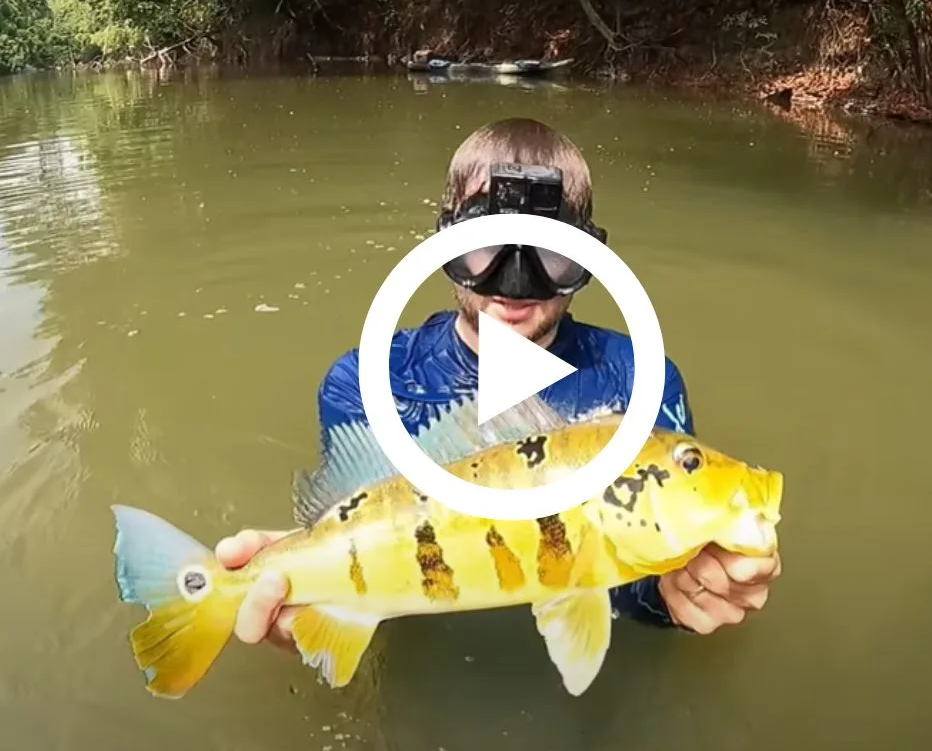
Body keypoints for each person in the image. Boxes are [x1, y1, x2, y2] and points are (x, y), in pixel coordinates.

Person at [215, 118, 782, 652]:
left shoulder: (642, 377)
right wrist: (313, 603)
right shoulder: (368, 381)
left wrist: (683, 593)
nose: (515, 282)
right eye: (486, 245)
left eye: (552, 254)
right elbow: (367, 543)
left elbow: (641, 575)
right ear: (444, 242)